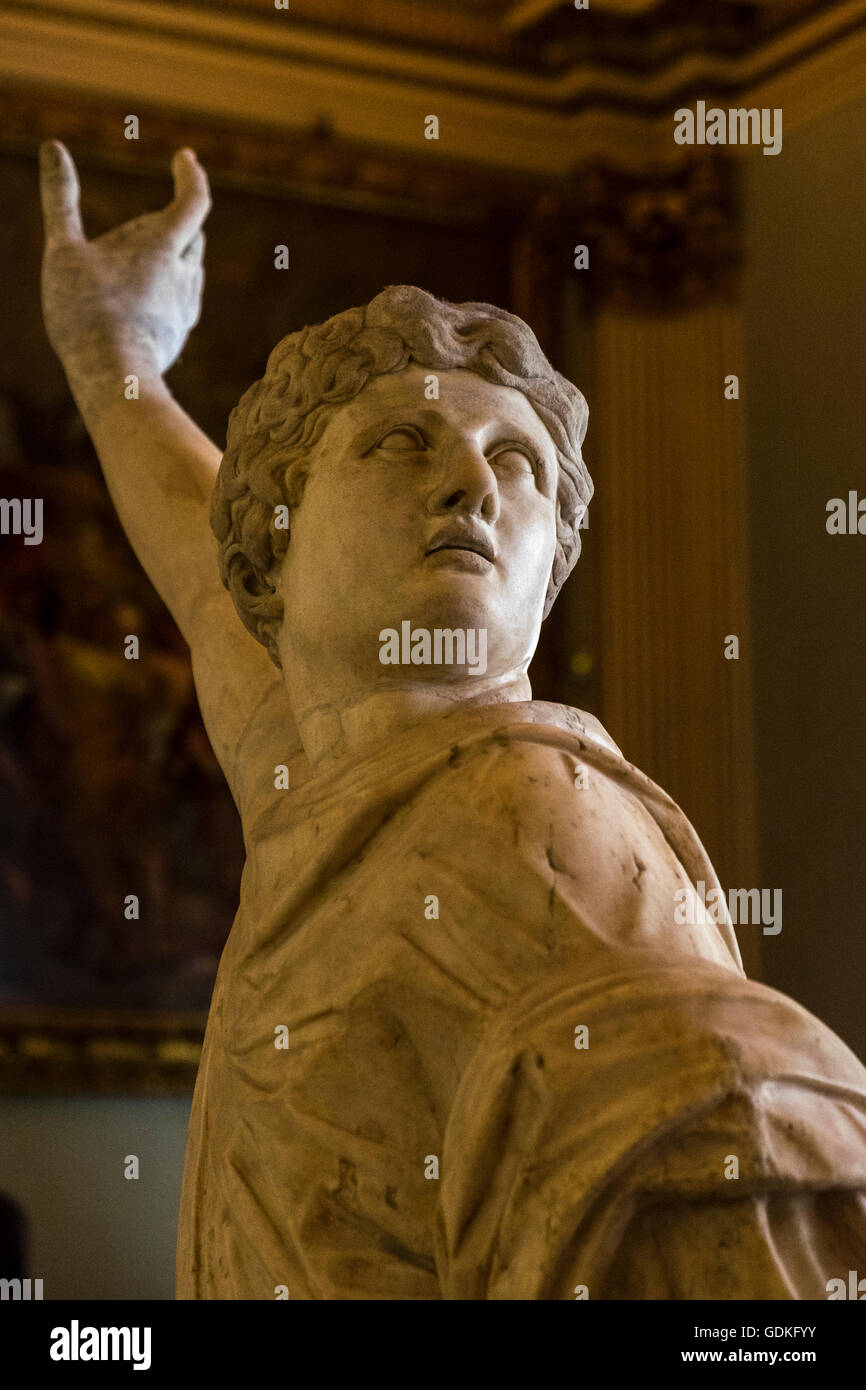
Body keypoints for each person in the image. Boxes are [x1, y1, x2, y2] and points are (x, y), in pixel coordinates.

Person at [39, 141, 866, 1300]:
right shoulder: (326, 785)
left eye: (515, 462)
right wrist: (110, 352)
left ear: (546, 574)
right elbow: (200, 570)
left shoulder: (527, 818)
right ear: (271, 545)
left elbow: (737, 1218)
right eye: (400, 442)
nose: (470, 485)